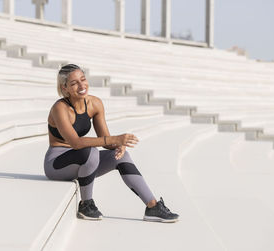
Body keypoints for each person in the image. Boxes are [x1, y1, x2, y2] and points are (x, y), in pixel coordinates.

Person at [44, 64, 179, 223]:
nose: (81, 86)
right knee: (91, 151)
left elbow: (105, 139)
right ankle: (86, 204)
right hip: (56, 164)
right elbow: (76, 143)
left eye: (83, 79)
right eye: (74, 83)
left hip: (83, 161)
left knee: (121, 156)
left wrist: (118, 145)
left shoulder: (95, 104)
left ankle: (153, 206)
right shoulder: (59, 108)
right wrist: (114, 139)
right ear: (64, 88)